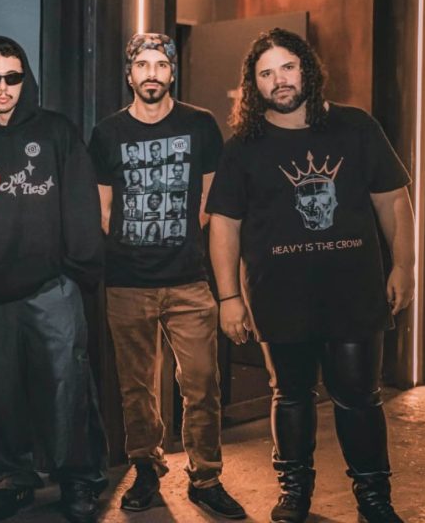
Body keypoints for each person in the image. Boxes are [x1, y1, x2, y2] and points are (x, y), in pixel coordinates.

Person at [206, 28, 413, 523]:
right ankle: (294, 493)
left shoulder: (355, 127)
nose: (279, 80)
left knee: (359, 398)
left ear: (307, 69)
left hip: (354, 292)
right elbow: (224, 225)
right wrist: (229, 297)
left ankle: (374, 499)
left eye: (288, 67)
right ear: (254, 85)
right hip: (279, 297)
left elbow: (393, 201)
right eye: (266, 73)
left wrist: (404, 265)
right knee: (291, 396)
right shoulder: (243, 147)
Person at [0, 35, 108, 523]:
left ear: (25, 79)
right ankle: (11, 481)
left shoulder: (56, 132)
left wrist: (75, 272)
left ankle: (79, 481)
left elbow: (82, 207)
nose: (3, 88)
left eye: (12, 77)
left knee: (66, 389)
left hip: (51, 290)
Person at [88, 32, 246, 519]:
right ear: (130, 74)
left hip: (188, 279)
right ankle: (146, 469)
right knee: (136, 388)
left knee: (201, 383)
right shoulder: (108, 133)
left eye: (161, 64)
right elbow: (102, 208)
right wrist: (136, 239)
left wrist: (176, 234)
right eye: (143, 65)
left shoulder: (199, 124)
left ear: (172, 72)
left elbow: (211, 197)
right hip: (126, 282)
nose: (152, 73)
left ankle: (206, 477)